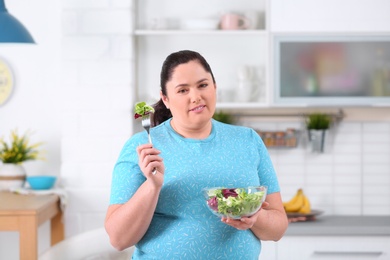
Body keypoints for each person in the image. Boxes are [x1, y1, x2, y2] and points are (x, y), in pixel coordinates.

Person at [105, 50, 288, 259]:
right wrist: (152, 187)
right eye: (182, 90)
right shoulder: (143, 147)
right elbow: (118, 239)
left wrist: (256, 217)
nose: (196, 96)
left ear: (215, 87)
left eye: (203, 85)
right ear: (165, 98)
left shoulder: (248, 140)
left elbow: (278, 227)